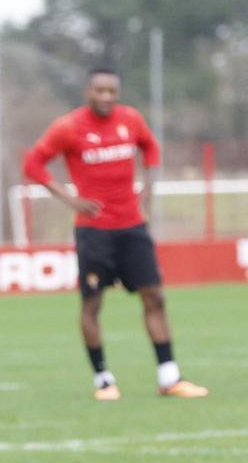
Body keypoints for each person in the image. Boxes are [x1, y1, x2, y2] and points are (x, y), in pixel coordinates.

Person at [23, 67, 207, 401]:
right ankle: (103, 380)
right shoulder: (68, 127)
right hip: (94, 233)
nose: (106, 97)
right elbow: (33, 165)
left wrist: (148, 191)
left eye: (112, 91)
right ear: (87, 92)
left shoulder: (131, 120)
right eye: (100, 91)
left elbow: (151, 148)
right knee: (92, 305)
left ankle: (170, 377)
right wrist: (70, 199)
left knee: (155, 297)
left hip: (132, 227)